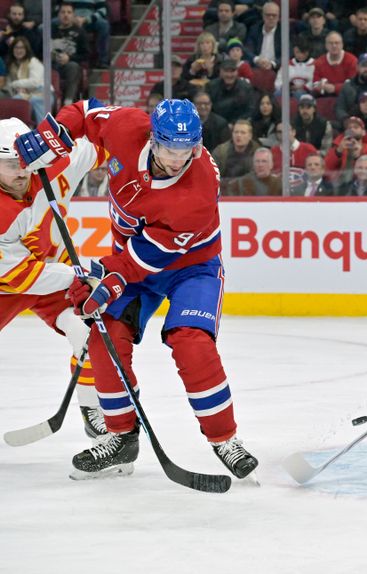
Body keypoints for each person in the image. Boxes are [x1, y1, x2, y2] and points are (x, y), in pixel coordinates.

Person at [14, 99, 258, 479]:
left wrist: (106, 278)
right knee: (102, 335)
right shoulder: (129, 126)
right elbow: (86, 112)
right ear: (152, 139)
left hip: (191, 268)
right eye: (169, 150)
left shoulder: (198, 188)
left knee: (191, 341)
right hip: (132, 259)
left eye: (187, 150)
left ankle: (224, 437)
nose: (178, 160)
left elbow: (143, 259)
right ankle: (121, 435)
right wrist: (53, 133)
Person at [0, 116, 105, 441]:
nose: (20, 172)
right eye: (8, 164)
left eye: (23, 162)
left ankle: (94, 414)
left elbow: (105, 141)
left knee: (89, 333)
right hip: (8, 285)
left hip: (52, 274)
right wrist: (80, 274)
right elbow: (19, 276)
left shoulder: (55, 167)